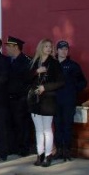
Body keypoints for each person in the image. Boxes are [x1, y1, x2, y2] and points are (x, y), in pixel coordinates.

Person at [28, 38, 65, 167]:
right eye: (46, 46)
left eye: (50, 46)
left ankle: (48, 155)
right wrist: (35, 72)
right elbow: (25, 79)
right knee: (38, 129)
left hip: (48, 100)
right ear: (41, 48)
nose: (49, 49)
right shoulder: (34, 62)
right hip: (35, 100)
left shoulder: (54, 63)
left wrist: (45, 87)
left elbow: (61, 82)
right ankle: (40, 154)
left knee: (47, 129)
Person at [54, 40, 87, 161]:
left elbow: (83, 82)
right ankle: (59, 151)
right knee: (57, 126)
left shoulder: (73, 66)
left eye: (66, 49)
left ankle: (67, 151)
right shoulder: (52, 64)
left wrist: (73, 91)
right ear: (57, 50)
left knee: (67, 126)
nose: (64, 51)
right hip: (55, 101)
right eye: (61, 48)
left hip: (68, 101)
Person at [4, 36, 32, 157]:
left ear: (16, 47)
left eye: (9, 46)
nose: (6, 49)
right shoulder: (7, 61)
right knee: (10, 123)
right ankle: (13, 147)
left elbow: (28, 79)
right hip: (8, 97)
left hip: (21, 98)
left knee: (22, 124)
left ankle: (24, 148)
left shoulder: (26, 61)